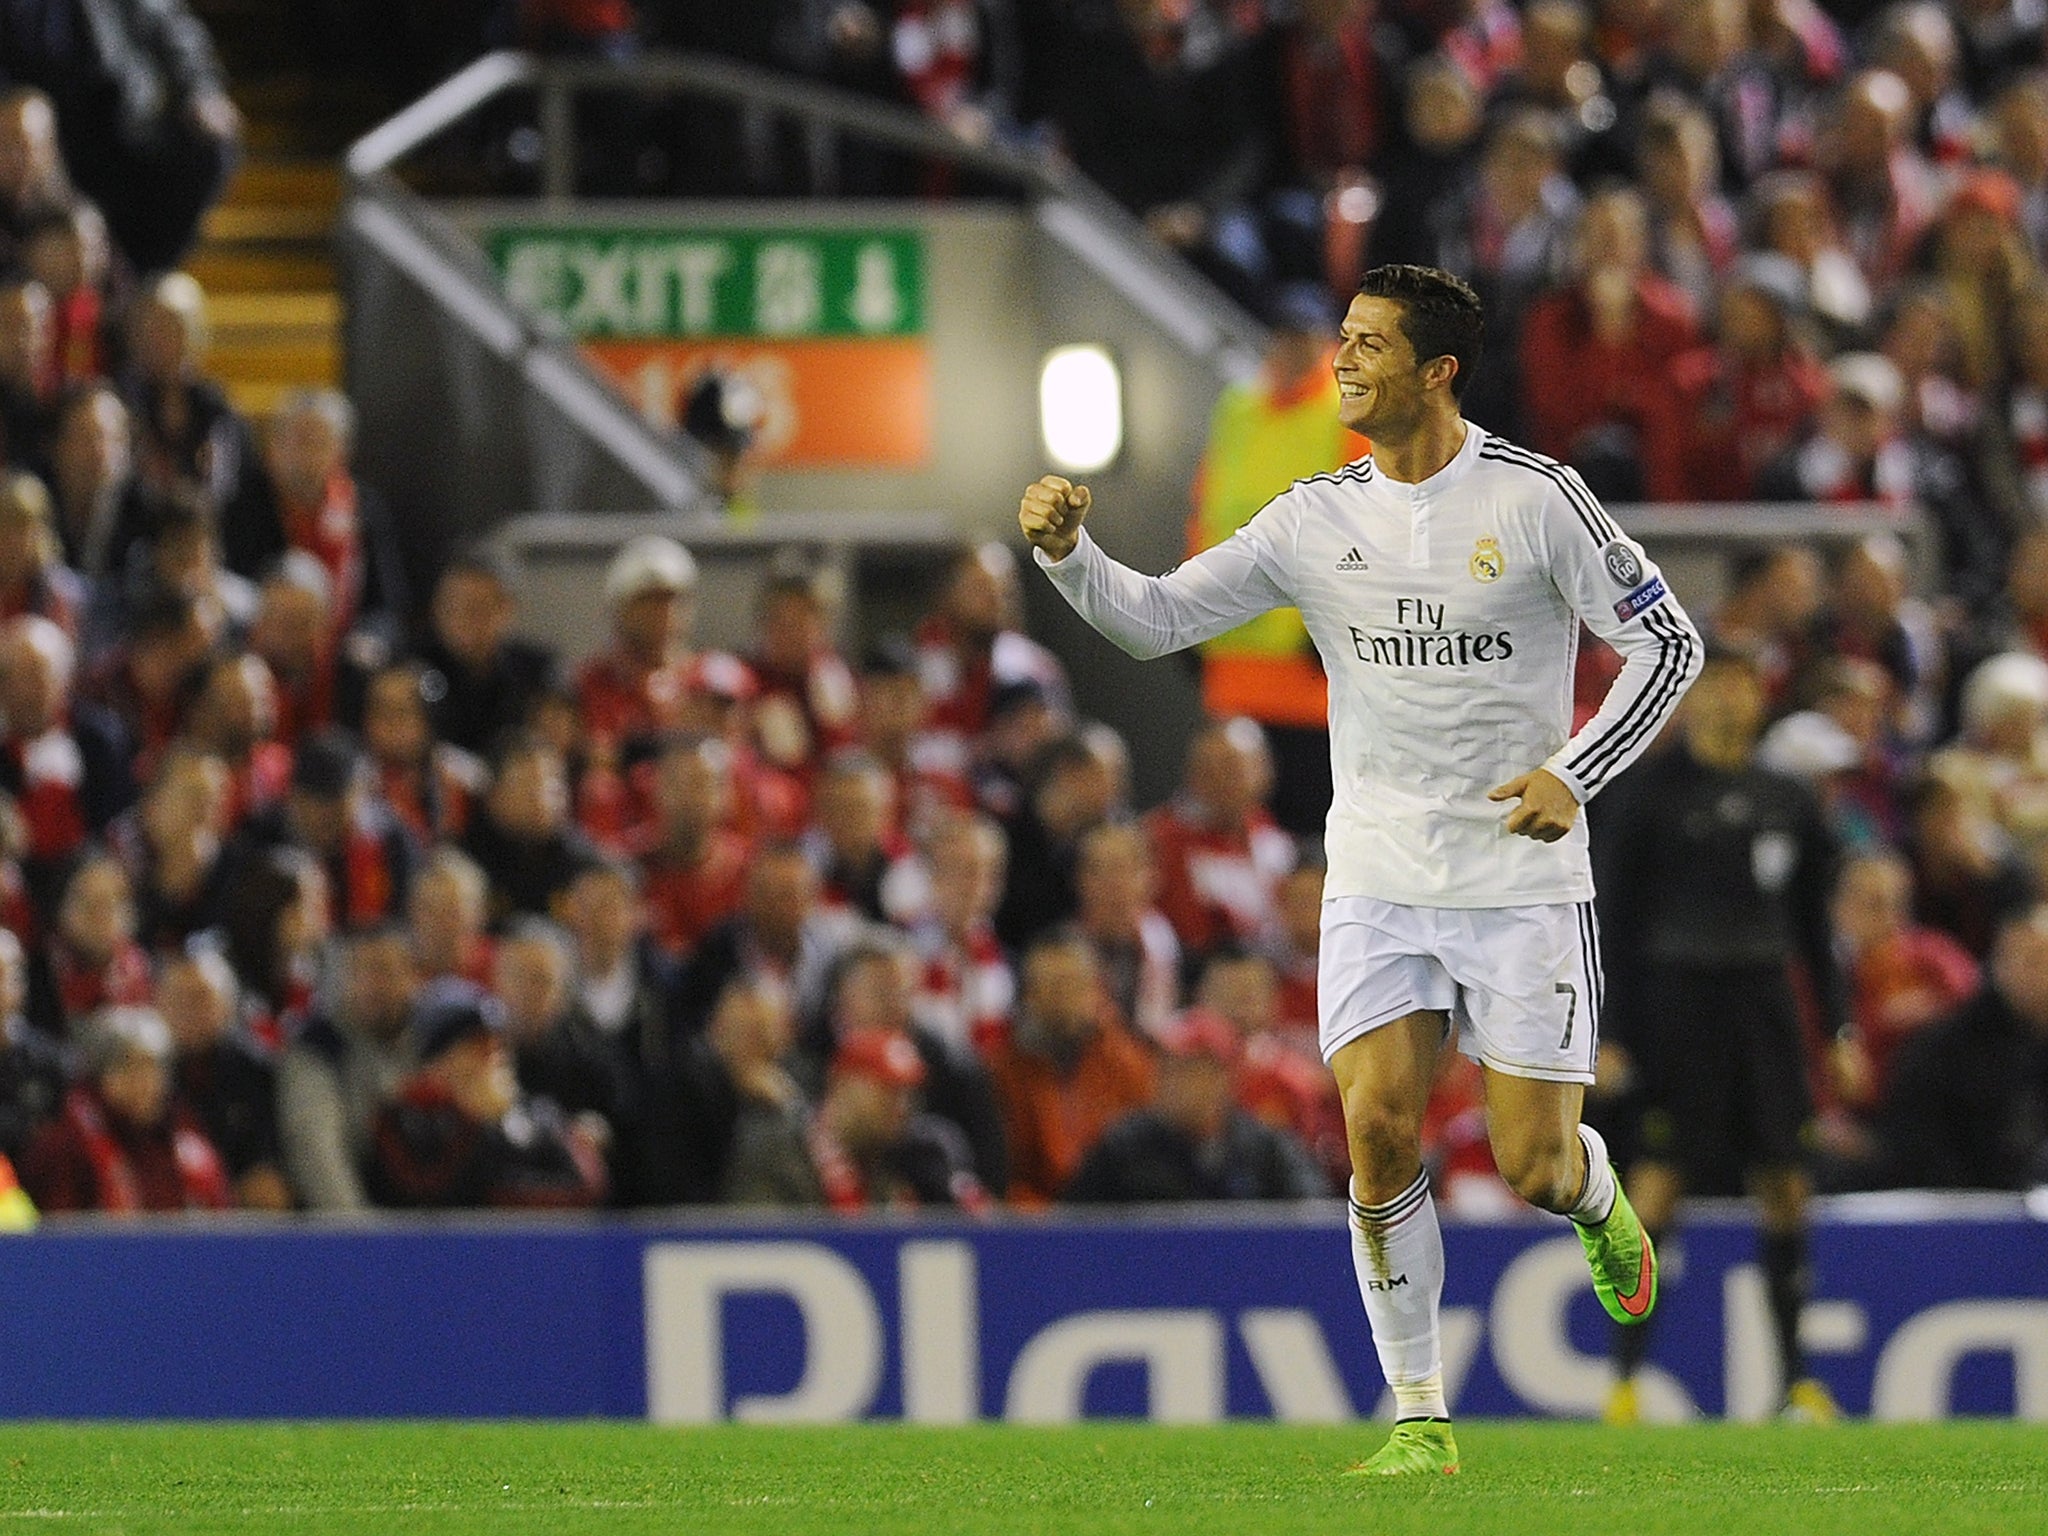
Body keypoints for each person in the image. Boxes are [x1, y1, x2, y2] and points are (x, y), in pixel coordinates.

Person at [1018, 263, 1701, 1476]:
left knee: (1529, 1165)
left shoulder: (1538, 499)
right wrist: (1072, 557)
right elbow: (1162, 617)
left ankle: (1595, 1198)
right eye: (1341, 338)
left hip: (1517, 878)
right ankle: (1417, 1415)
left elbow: (1667, 643)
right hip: (1378, 875)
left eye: (1369, 345)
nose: (1341, 362)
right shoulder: (1311, 515)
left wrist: (1572, 773)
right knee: (1378, 1133)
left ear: (1436, 371)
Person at [1592, 649, 1845, 1425]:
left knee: (1785, 1184)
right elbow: (1610, 923)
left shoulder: (1789, 800)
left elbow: (1813, 929)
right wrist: (1606, 1031)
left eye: (1740, 684)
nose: (1726, 700)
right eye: (1712, 686)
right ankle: (1626, 1382)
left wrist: (1836, 1028)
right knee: (1660, 1180)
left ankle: (1796, 1382)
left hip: (1764, 1004)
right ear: (1687, 699)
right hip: (1677, 1005)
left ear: (1760, 697)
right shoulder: (1644, 797)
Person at [1061, 1009, 1325, 1204]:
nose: (1175, 1082)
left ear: (1226, 1078)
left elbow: (1312, 1215)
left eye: (1193, 1070)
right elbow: (1075, 1226)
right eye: (1168, 1068)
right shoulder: (1123, 1148)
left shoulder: (1265, 1149)